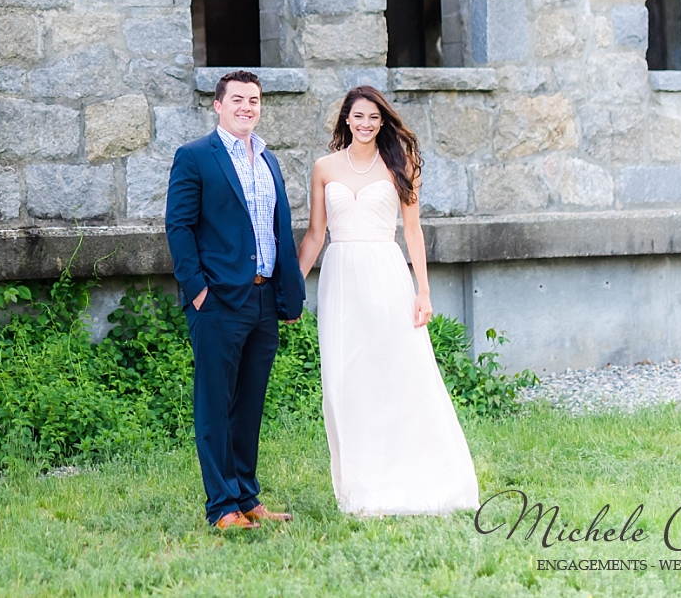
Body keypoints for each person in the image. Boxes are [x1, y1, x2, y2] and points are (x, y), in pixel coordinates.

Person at [297, 85, 479, 516]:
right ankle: (361, 488)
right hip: (340, 278)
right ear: (346, 119)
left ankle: (424, 478)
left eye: (374, 118)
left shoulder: (400, 165)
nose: (366, 124)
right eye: (358, 117)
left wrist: (424, 290)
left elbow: (413, 231)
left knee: (399, 372)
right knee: (346, 380)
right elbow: (314, 235)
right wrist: (288, 289)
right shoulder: (324, 168)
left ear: (382, 122)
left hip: (386, 273)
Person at [165, 70, 306, 531]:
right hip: (219, 301)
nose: (247, 107)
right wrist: (199, 289)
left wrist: (286, 293)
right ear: (218, 105)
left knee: (248, 405)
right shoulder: (195, 158)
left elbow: (277, 229)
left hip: (264, 299)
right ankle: (221, 506)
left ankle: (247, 497)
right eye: (238, 99)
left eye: (255, 100)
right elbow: (179, 227)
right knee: (215, 404)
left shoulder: (268, 160)